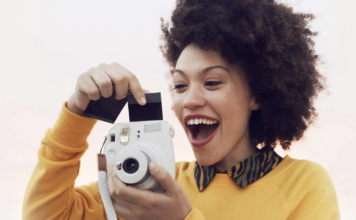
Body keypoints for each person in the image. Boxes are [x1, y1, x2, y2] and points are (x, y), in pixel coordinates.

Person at [23, 0, 340, 219]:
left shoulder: (304, 184)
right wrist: (77, 115)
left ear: (257, 93)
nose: (189, 100)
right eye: (179, 85)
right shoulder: (148, 182)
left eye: (213, 82)